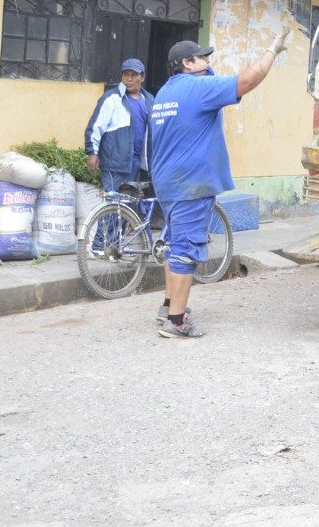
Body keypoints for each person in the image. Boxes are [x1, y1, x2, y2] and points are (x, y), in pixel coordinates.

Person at [149, 30, 290, 339]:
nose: (208, 61)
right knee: (186, 249)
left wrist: (204, 68)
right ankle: (176, 322)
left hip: (168, 183)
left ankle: (169, 305)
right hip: (191, 184)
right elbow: (247, 81)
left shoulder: (164, 93)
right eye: (202, 57)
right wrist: (271, 51)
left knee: (174, 243)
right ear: (187, 63)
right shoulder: (198, 89)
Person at [84, 57, 154, 194]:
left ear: (143, 78)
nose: (129, 79)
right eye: (126, 75)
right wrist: (92, 153)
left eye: (134, 75)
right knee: (114, 204)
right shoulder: (111, 98)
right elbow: (95, 127)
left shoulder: (149, 100)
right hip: (115, 164)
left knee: (129, 206)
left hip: (138, 163)